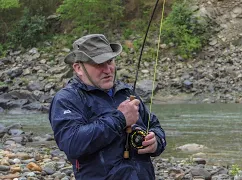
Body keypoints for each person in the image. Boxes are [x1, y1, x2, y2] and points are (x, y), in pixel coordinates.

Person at [49, 34, 166, 180]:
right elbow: (72, 143)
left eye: (109, 61)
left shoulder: (126, 92)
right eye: (99, 64)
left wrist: (156, 142)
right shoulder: (67, 99)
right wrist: (120, 119)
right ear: (78, 68)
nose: (108, 69)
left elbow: (154, 126)